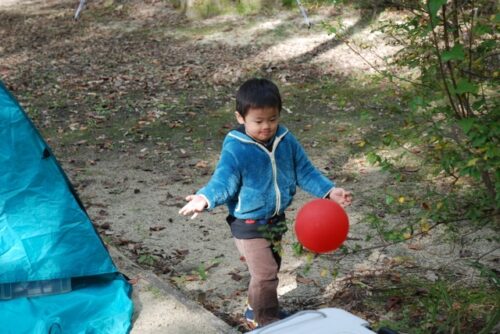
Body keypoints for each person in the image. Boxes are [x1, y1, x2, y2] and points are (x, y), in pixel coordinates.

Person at [179, 78, 352, 329]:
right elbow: (223, 180)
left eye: (272, 119)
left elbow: (304, 170)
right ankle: (265, 321)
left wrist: (329, 191)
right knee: (265, 273)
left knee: (270, 270)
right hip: (248, 223)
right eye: (258, 121)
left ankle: (254, 309)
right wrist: (205, 198)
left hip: (275, 220)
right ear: (241, 118)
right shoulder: (237, 149)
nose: (266, 127)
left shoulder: (285, 140)